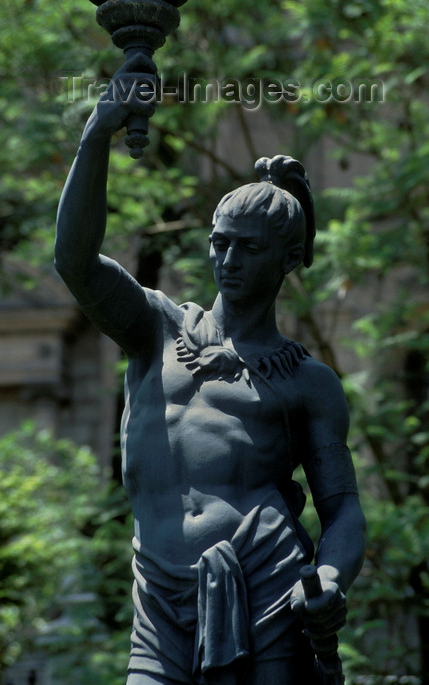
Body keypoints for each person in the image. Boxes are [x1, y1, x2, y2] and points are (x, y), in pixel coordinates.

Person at [55, 54, 366, 685]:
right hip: (159, 593)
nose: (228, 258)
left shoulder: (309, 381)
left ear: (287, 259)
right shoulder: (155, 328)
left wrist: (330, 577)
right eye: (220, 241)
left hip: (270, 584)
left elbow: (343, 509)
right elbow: (76, 263)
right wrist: (97, 134)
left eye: (249, 247)